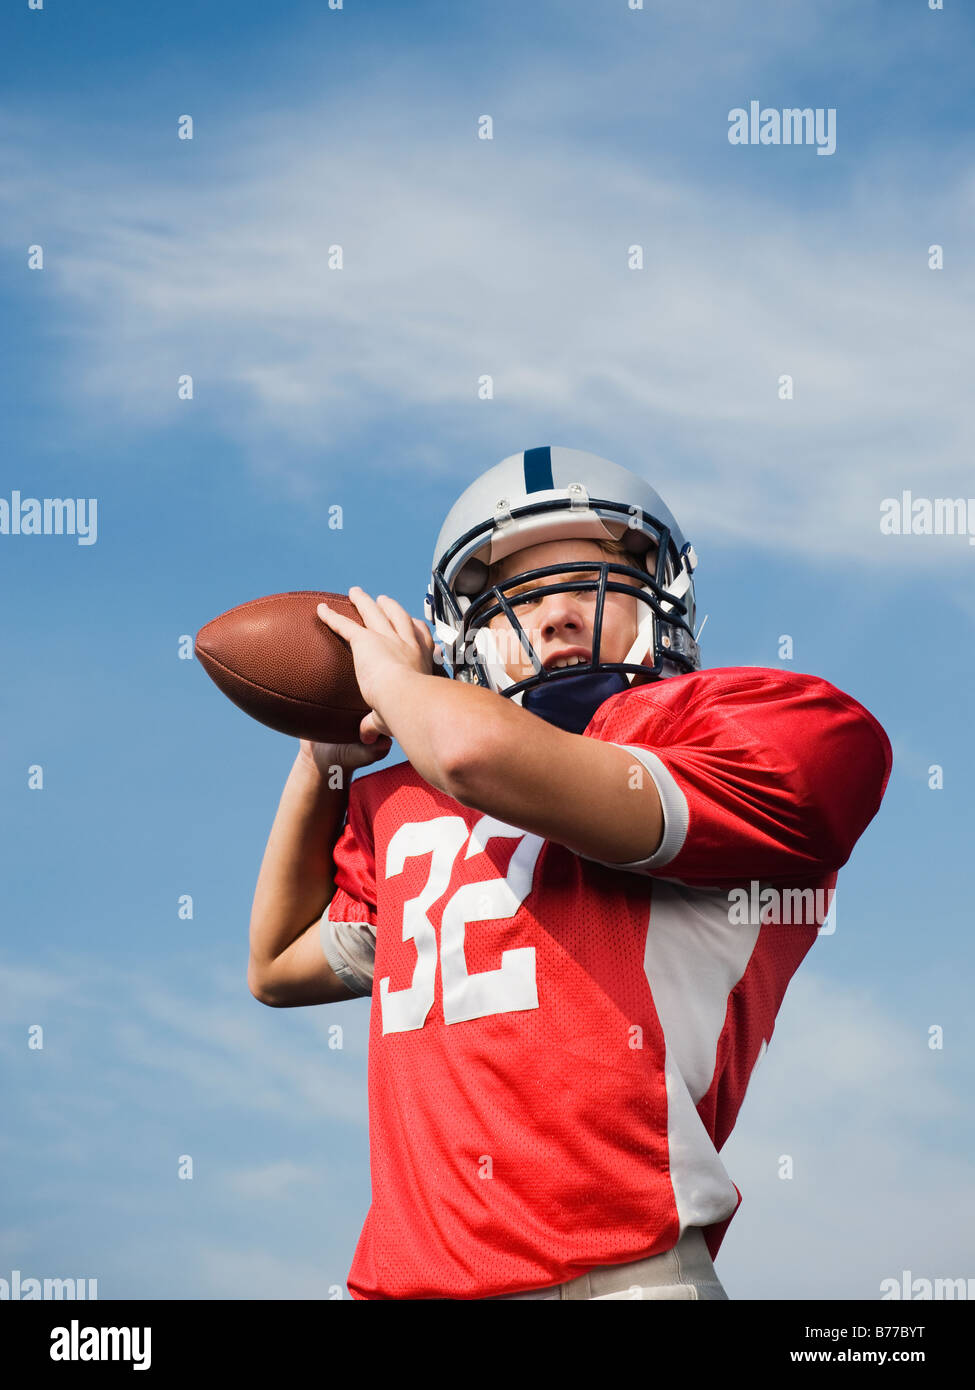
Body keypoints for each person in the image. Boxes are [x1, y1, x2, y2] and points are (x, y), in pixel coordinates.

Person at [247, 445, 892, 1301]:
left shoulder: (757, 726)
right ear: (461, 642)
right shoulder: (405, 798)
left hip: (620, 1279)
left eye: (593, 583)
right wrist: (322, 764)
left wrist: (400, 690)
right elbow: (279, 962)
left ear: (663, 603)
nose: (553, 617)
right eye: (516, 599)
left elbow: (475, 751)